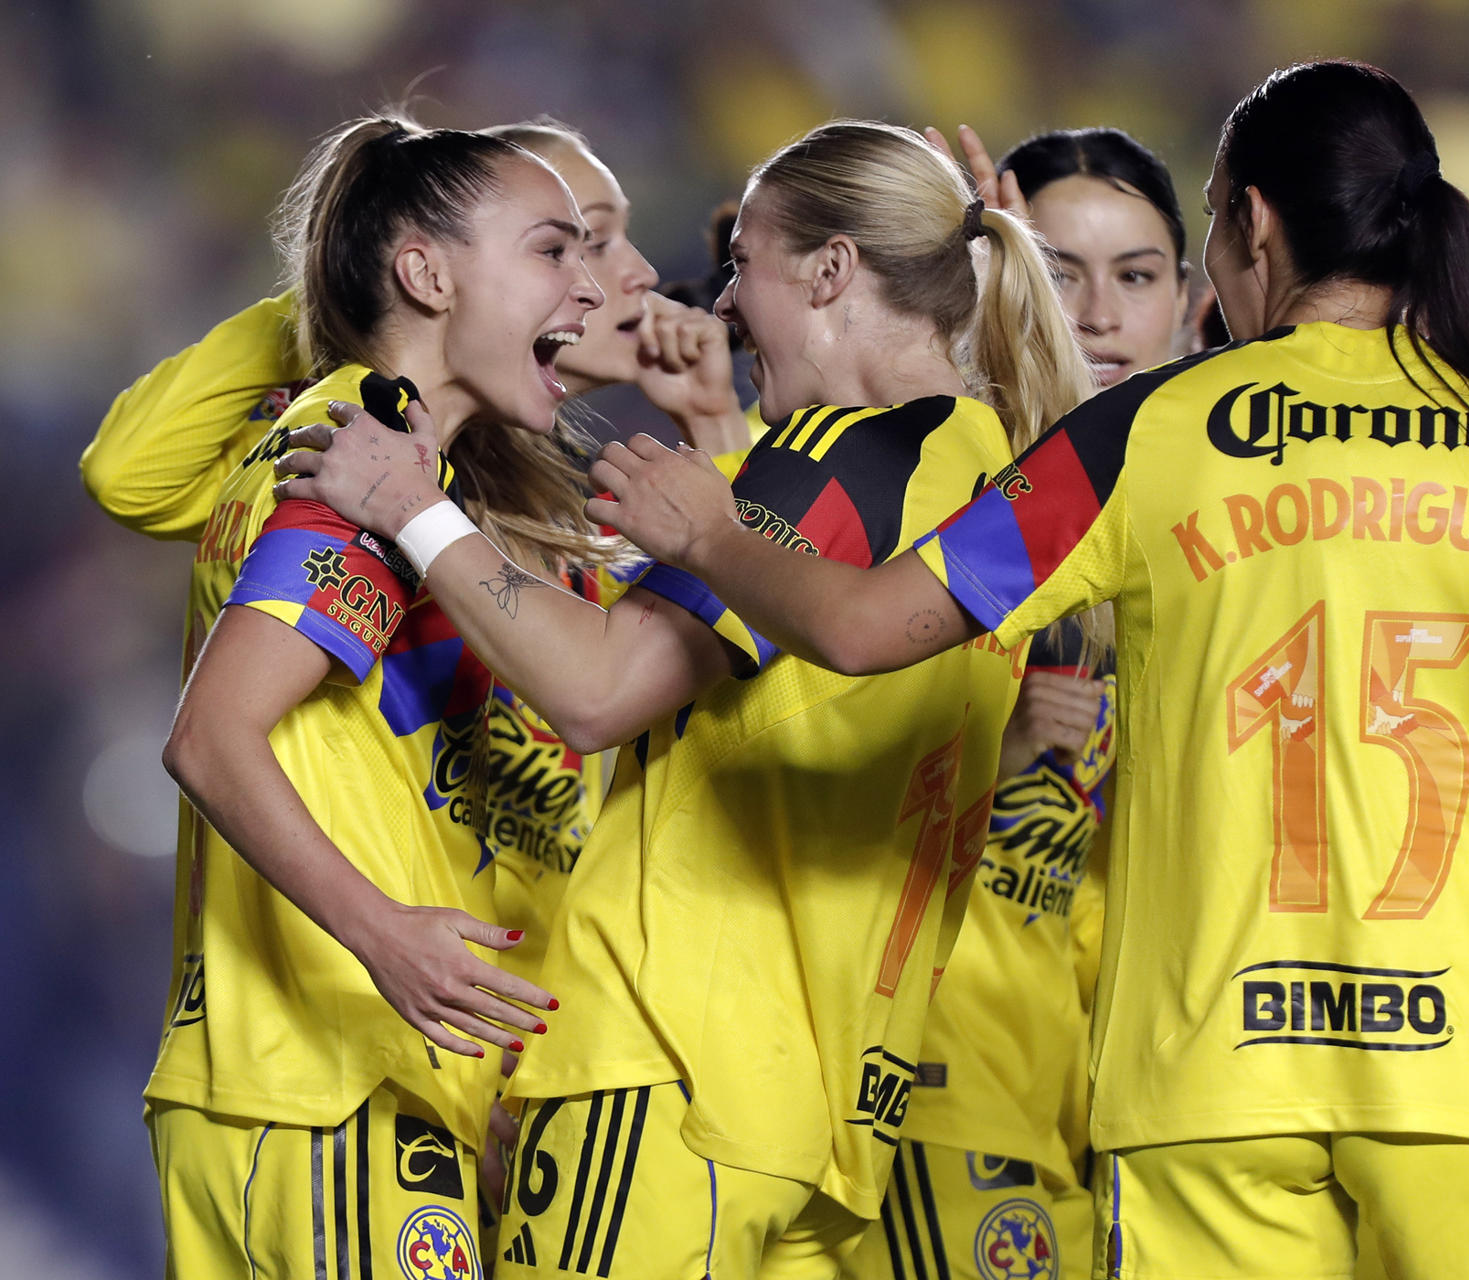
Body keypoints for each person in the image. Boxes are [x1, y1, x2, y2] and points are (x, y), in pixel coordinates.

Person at [576, 61, 1469, 1280]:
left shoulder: (1146, 425)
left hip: (1210, 1073)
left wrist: (710, 533)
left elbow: (866, 627)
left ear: (1254, 222)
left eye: (1206, 225)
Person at [274, 119, 1089, 1279]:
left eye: (741, 266)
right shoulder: (982, 459)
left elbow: (600, 687)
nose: (719, 310)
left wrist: (414, 505)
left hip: (671, 1070)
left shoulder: (838, 456)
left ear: (831, 271)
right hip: (824, 1104)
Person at [148, 113, 607, 1278]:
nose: (589, 287)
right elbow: (211, 735)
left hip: (311, 1089)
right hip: (324, 1086)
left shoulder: (368, 450)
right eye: (554, 250)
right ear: (427, 272)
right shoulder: (365, 453)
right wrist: (391, 943)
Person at [842, 123, 1193, 1280]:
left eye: (1136, 277)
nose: (1095, 312)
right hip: (939, 1099)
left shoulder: (1222, 535)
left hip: (1125, 1113)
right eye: (1055, 266)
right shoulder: (939, 504)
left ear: (1191, 303)